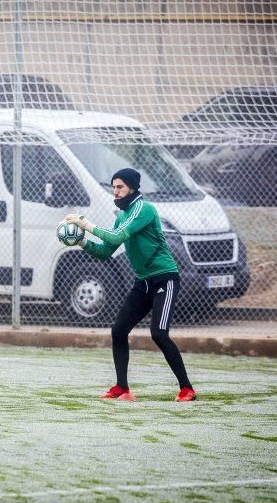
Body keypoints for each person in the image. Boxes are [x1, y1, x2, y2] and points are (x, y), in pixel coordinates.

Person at [66, 167, 196, 402]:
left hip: (164, 278)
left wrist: (87, 225)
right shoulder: (123, 216)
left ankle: (187, 389)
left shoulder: (143, 209)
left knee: (159, 334)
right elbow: (106, 251)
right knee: (118, 331)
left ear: (132, 188)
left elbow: (116, 237)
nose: (115, 192)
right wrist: (82, 241)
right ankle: (122, 388)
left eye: (120, 187)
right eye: (113, 187)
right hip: (144, 281)